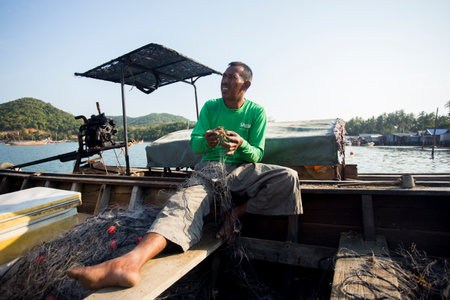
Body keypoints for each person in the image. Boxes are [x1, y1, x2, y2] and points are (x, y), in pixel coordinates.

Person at [67, 62, 302, 290]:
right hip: (209, 168)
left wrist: (241, 144)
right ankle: (129, 263)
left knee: (288, 177)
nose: (225, 81)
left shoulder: (257, 111)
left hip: (242, 168)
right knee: (182, 204)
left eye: (232, 77)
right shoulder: (211, 107)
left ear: (246, 85)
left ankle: (233, 214)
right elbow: (196, 144)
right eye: (224, 76)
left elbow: (257, 155)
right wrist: (206, 140)